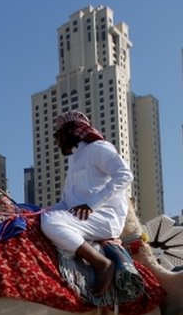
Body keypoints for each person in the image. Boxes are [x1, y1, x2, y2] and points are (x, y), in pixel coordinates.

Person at [41, 110, 134, 296]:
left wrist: (91, 204)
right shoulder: (74, 160)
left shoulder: (99, 148)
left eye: (57, 135)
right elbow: (67, 203)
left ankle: (102, 264)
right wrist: (35, 212)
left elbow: (125, 175)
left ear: (70, 132)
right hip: (82, 218)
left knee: (51, 222)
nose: (56, 142)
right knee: (43, 218)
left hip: (104, 218)